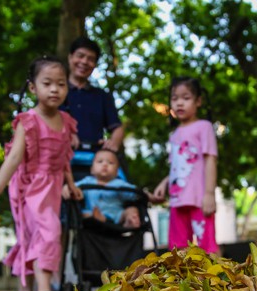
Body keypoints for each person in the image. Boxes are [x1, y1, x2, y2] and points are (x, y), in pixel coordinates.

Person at [0, 55, 82, 291]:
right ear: (33, 87)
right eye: (47, 83)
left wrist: (70, 184)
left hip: (54, 186)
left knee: (32, 238)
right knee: (48, 231)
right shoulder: (28, 121)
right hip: (30, 187)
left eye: (60, 83)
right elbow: (13, 158)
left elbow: (64, 158)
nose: (55, 89)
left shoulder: (67, 122)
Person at [150, 77, 219, 254]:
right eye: (174, 98)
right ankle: (180, 283)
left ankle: (218, 281)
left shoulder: (204, 127)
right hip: (177, 200)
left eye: (186, 98)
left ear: (198, 101)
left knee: (207, 247)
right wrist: (163, 183)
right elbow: (177, 167)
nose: (179, 103)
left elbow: (210, 159)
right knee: (177, 250)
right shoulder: (174, 134)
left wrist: (210, 194)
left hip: (200, 200)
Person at [60, 36, 124, 180]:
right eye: (80, 56)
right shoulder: (57, 92)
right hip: (60, 162)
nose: (84, 62)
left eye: (90, 59)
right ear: (70, 57)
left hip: (95, 164)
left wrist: (113, 142)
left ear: (95, 65)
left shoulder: (102, 96)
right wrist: (65, 134)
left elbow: (117, 127)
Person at [75, 149, 141, 228]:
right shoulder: (87, 181)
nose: (105, 164)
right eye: (100, 162)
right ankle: (100, 218)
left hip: (117, 216)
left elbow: (134, 193)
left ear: (117, 172)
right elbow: (74, 188)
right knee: (82, 214)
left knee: (132, 210)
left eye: (110, 163)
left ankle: (129, 222)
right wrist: (67, 189)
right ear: (92, 170)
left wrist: (147, 195)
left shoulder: (119, 183)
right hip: (93, 214)